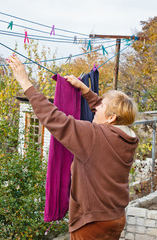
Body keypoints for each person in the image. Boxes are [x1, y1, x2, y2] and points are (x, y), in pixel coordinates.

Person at [8, 56, 139, 240]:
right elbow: (105, 111)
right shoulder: (128, 137)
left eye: (101, 106)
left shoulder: (94, 135)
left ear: (111, 118)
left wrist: (25, 82)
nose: (96, 107)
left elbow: (54, 118)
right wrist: (85, 89)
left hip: (91, 222)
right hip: (116, 217)